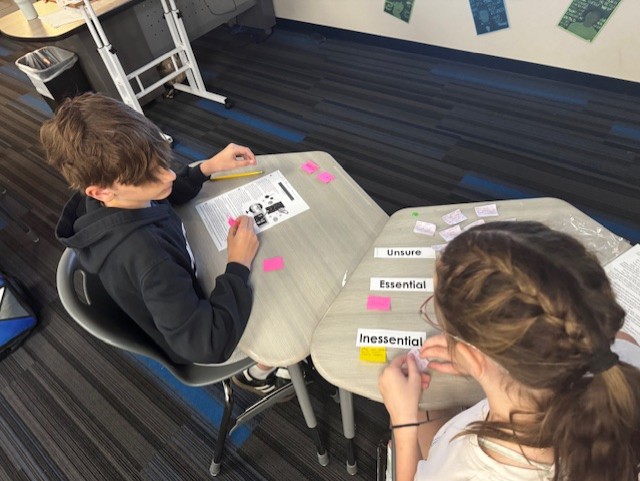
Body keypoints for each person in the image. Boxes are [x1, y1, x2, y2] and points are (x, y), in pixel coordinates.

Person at [41, 92, 286, 394]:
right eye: (148, 175)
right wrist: (238, 264)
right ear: (100, 192)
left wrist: (206, 168)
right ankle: (257, 374)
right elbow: (209, 344)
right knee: (288, 310)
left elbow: (165, 191)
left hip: (181, 300)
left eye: (161, 161)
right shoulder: (149, 259)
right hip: (203, 337)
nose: (168, 175)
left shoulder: (115, 197)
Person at [379, 221, 640, 481]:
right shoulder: (619, 357)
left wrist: (403, 423)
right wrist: (483, 361)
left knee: (416, 409)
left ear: (474, 355)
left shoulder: (458, 473)